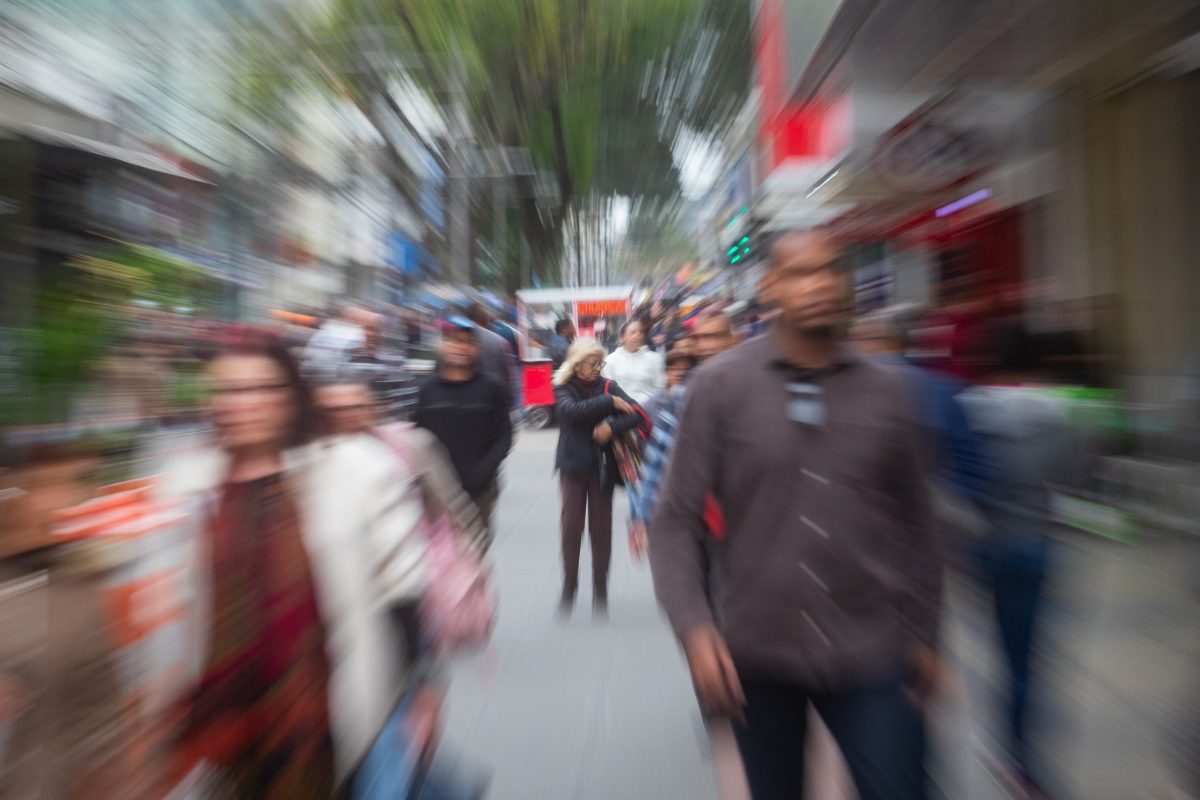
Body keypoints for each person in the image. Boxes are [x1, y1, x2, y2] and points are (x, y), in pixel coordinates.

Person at [649, 231, 942, 800]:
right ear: (772, 286)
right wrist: (695, 626)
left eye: (831, 271)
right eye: (802, 273)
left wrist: (927, 631)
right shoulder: (720, 386)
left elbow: (918, 523)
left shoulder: (889, 392)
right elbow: (676, 520)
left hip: (872, 650)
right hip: (759, 653)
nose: (820, 285)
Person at [157, 328, 429, 798]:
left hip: (323, 715)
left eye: (262, 388)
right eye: (228, 389)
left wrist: (421, 687)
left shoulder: (354, 471)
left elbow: (402, 585)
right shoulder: (183, 483)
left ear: (291, 394)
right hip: (223, 724)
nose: (243, 403)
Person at [957, 325, 1079, 798]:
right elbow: (1074, 480)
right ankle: (1021, 755)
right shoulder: (1061, 411)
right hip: (1039, 543)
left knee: (996, 646)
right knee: (1026, 655)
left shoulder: (970, 407)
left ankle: (1005, 739)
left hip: (986, 543)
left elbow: (961, 476)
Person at [553, 338, 649, 618]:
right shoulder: (563, 386)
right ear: (577, 364)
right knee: (571, 527)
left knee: (601, 529)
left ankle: (600, 589)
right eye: (593, 363)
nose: (598, 368)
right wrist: (608, 402)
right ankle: (569, 586)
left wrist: (611, 427)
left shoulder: (607, 384)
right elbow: (570, 413)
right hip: (572, 467)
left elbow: (639, 415)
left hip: (602, 466)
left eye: (600, 363)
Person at [416, 317, 513, 550]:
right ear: (442, 345)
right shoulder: (428, 390)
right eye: (453, 341)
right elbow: (417, 437)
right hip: (435, 493)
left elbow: (505, 435)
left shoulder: (492, 388)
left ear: (476, 349)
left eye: (466, 342)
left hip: (480, 492)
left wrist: (483, 472)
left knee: (474, 556)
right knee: (440, 559)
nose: (460, 347)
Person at [602, 319, 665, 406]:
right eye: (633, 332)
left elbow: (660, 387)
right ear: (622, 338)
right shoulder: (611, 360)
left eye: (640, 332)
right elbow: (608, 389)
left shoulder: (654, 358)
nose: (638, 335)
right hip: (622, 410)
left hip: (648, 410)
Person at [466, 302, 514, 399]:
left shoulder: (461, 341)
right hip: (494, 399)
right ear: (487, 320)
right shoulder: (501, 342)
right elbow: (508, 377)